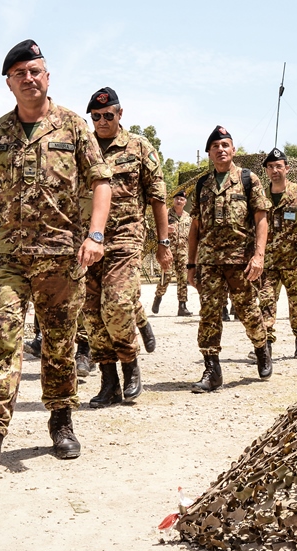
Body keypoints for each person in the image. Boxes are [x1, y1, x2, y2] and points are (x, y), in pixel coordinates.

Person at [0, 39, 112, 468]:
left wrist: (95, 235)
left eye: (35, 70)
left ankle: (61, 420)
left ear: (48, 76)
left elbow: (101, 183)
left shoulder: (74, 127)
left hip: (61, 254)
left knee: (59, 342)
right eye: (19, 73)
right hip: (8, 256)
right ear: (8, 83)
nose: (29, 78)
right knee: (3, 336)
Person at [80, 87, 171, 408]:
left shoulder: (139, 147)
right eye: (96, 117)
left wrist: (163, 242)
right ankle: (109, 381)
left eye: (108, 115)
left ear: (120, 114)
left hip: (125, 238)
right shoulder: (84, 147)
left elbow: (158, 198)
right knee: (91, 312)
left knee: (117, 303)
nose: (102, 121)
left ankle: (130, 366)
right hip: (87, 240)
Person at [186, 126, 272, 393]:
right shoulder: (202, 184)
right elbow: (195, 227)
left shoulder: (249, 179)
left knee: (247, 311)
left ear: (233, 150)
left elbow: (261, 219)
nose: (221, 150)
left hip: (241, 260)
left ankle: (261, 346)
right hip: (210, 261)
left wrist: (259, 256)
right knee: (209, 313)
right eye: (215, 147)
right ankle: (212, 369)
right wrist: (191, 264)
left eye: (225, 145)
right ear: (209, 153)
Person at [257, 148, 297, 359]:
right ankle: (266, 342)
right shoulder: (261, 196)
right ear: (266, 170)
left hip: (296, 261)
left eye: (279, 166)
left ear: (287, 168)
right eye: (271, 167)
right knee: (265, 301)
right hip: (267, 262)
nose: (275, 170)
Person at [153, 189, 192, 316]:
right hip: (168, 251)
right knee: (167, 276)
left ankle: (182, 306)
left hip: (183, 252)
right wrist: (165, 230)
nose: (179, 201)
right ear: (173, 200)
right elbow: (155, 230)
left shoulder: (188, 217)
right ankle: (158, 297)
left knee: (183, 278)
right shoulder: (166, 214)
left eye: (181, 199)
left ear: (185, 202)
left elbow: (192, 234)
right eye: (177, 199)